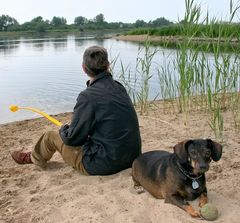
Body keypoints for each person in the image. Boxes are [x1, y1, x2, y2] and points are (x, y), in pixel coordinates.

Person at [11, 45, 142, 175]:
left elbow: (72, 139)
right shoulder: (119, 87)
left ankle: (35, 158)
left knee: (50, 136)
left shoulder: (87, 96)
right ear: (108, 65)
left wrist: (64, 129)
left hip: (105, 164)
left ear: (84, 68)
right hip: (132, 158)